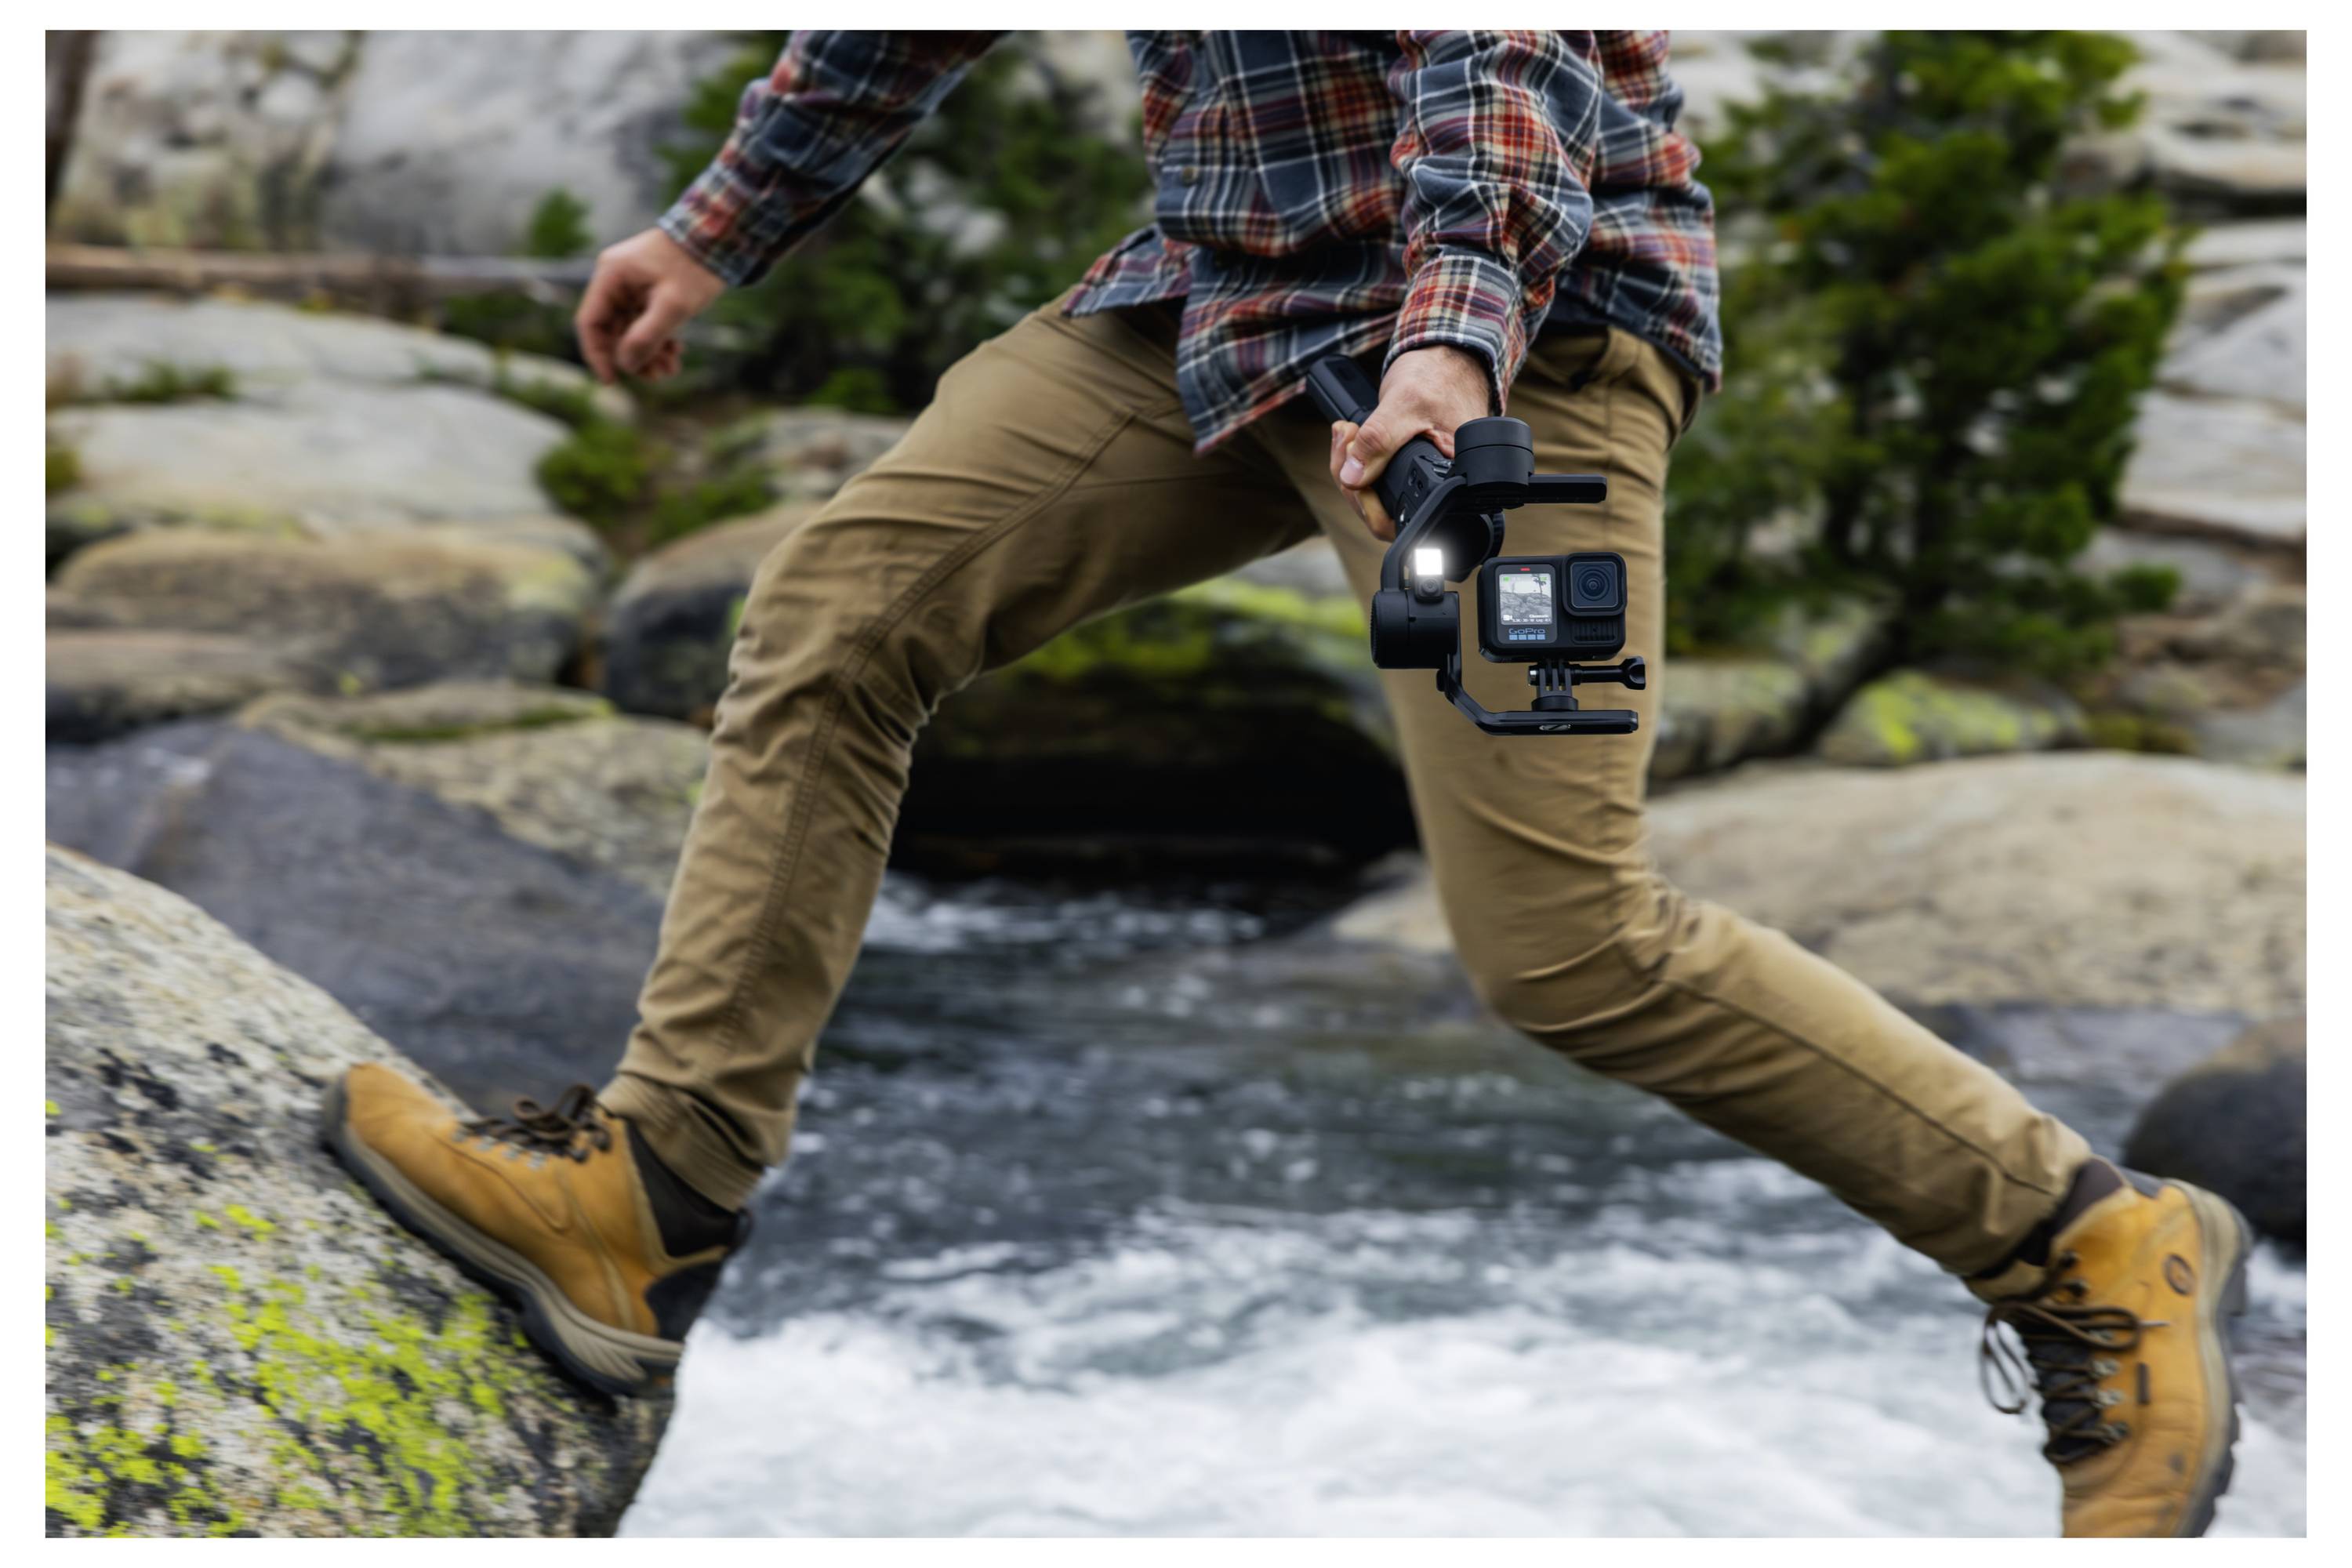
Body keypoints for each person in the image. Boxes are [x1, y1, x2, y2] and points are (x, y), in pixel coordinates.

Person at [321, 31, 2250, 1537]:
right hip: (1216, 300)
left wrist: (1456, 331)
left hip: (1519, 346)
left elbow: (1504, 41)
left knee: (1564, 940)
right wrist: (719, 225)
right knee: (837, 615)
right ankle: (650, 1198)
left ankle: (2088, 1242)